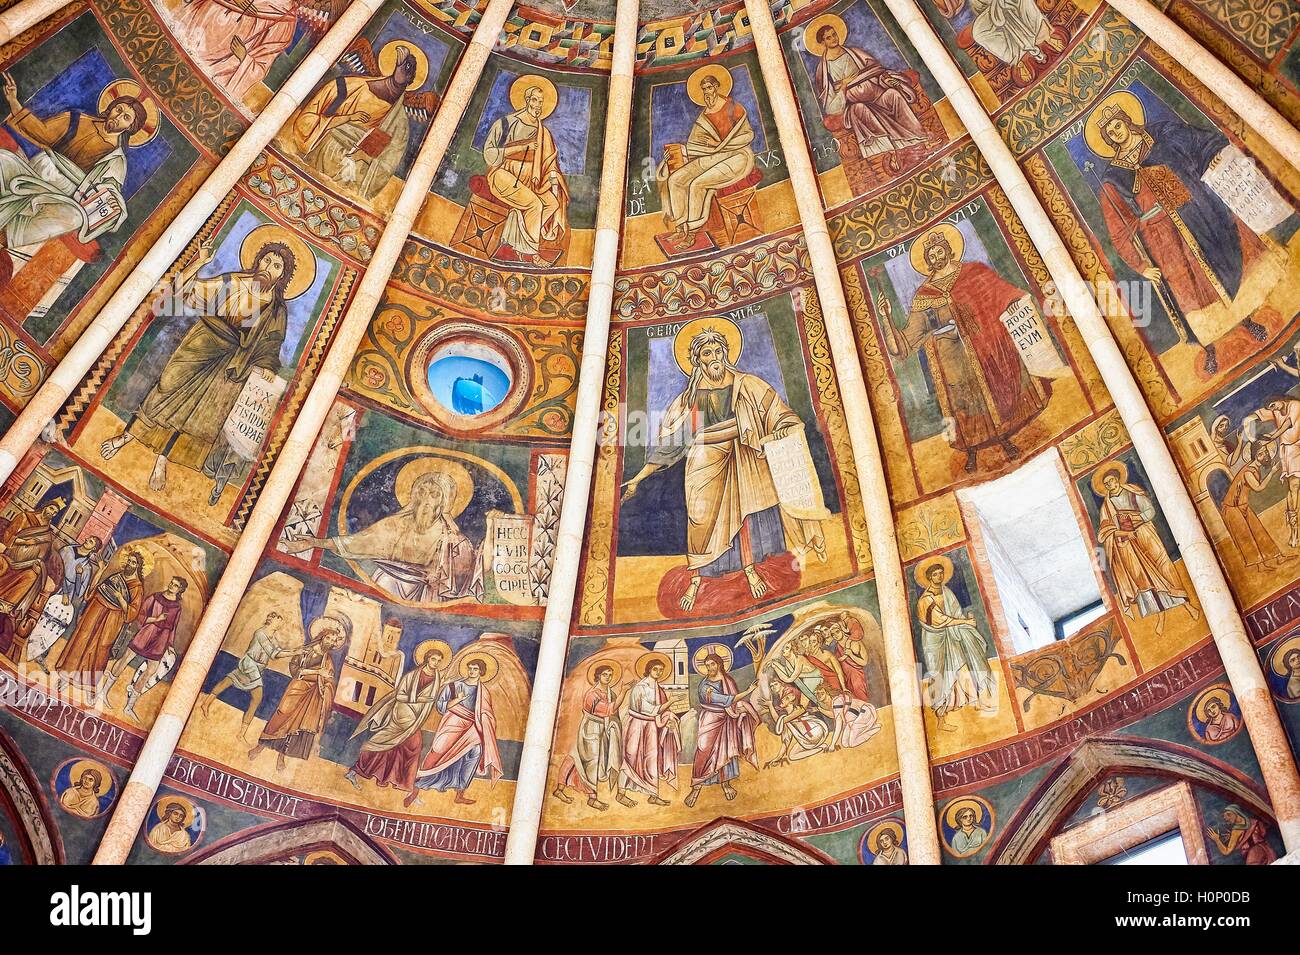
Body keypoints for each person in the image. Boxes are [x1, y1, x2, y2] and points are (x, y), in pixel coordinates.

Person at [621, 325, 827, 613]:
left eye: (718, 351)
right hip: (705, 463)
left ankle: (751, 569)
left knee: (752, 509)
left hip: (745, 457)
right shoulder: (692, 399)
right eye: (707, 353)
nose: (715, 357)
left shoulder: (748, 386)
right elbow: (672, 445)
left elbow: (779, 414)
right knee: (702, 518)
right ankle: (698, 577)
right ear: (697, 360)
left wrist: (783, 429)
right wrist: (638, 478)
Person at [99, 230, 304, 504]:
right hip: (202, 340)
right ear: (258, 260)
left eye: (277, 266)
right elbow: (185, 292)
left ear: (283, 276)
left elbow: (272, 342)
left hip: (232, 361)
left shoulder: (277, 309)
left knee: (198, 415)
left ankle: (163, 459)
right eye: (267, 261)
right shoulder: (232, 281)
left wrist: (267, 365)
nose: (269, 268)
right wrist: (199, 262)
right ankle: (126, 437)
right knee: (166, 388)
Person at [1085, 97, 1282, 374]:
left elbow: (1198, 141)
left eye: (1116, 125)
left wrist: (1211, 152)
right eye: (1109, 132)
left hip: (1196, 211)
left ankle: (1247, 320)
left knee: (1223, 270)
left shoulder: (1161, 135)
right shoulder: (1113, 177)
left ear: (1126, 121)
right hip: (1164, 242)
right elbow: (1119, 230)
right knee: (1190, 294)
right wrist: (1141, 266)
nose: (1115, 132)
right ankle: (1209, 346)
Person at [880, 226, 1050, 471]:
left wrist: (1011, 301)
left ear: (949, 250)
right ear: (927, 262)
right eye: (931, 257)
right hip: (953, 356)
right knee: (966, 403)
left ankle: (1005, 439)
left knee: (993, 391)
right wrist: (886, 317)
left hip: (984, 345)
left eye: (939, 252)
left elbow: (999, 291)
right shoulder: (924, 295)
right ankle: (971, 450)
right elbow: (907, 341)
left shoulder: (974, 271)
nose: (936, 258)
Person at [0, 74, 151, 253]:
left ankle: (7, 235)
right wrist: (14, 102)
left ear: (130, 128)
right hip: (40, 169)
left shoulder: (116, 158)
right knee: (4, 159)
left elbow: (109, 190)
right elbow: (41, 132)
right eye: (118, 110)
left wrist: (113, 200)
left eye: (126, 117)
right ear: (110, 108)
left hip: (67, 193)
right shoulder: (76, 120)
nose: (118, 117)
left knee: (74, 218)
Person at [288, 470, 481, 602]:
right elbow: (358, 542)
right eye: (421, 492)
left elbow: (465, 571)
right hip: (385, 582)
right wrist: (315, 542)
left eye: (433, 494)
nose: (426, 500)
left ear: (445, 501)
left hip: (423, 593)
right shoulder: (395, 524)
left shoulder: (452, 539)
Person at [291, 43, 421, 199]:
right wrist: (346, 119)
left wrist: (362, 158)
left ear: (410, 79)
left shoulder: (399, 124)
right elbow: (307, 120)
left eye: (407, 69)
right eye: (402, 66)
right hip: (323, 152)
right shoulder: (345, 87)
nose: (402, 71)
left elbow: (389, 160)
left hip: (353, 174)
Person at [1094, 463, 1199, 633]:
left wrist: (1135, 518)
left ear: (1118, 479)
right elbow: (1105, 530)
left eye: (1112, 480)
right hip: (1128, 544)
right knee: (1144, 578)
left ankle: (1188, 606)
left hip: (1145, 535)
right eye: (1106, 484)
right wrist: (1121, 532)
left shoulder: (1132, 492)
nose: (1110, 485)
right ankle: (1160, 617)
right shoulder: (1106, 506)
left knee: (1163, 569)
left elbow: (1150, 511)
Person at [657, 66, 755, 248]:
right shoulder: (704, 116)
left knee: (697, 184)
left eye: (710, 87)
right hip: (711, 157)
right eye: (704, 89)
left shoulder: (733, 108)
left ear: (717, 87)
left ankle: (692, 233)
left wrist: (723, 146)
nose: (707, 92)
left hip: (737, 156)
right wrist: (679, 152)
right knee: (676, 180)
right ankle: (680, 228)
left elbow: (748, 135)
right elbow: (696, 146)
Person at [809, 19, 927, 160]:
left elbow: (875, 71)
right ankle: (888, 153)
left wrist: (886, 79)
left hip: (877, 94)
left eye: (834, 34)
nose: (834, 38)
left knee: (893, 94)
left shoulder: (854, 53)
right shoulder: (823, 70)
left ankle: (919, 138)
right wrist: (845, 86)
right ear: (822, 43)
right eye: (829, 37)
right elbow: (830, 104)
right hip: (853, 103)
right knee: (860, 109)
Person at [247, 613, 349, 772]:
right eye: (328, 638)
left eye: (334, 641)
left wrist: (327, 683)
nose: (330, 642)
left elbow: (329, 680)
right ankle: (259, 747)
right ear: (322, 636)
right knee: (280, 717)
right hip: (297, 689)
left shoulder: (327, 660)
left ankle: (281, 757)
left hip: (312, 697)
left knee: (295, 726)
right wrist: (315, 673)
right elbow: (295, 669)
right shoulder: (305, 651)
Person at [482, 79, 569, 265]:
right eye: (534, 100)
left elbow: (549, 162)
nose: (538, 105)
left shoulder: (543, 132)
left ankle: (517, 239)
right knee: (535, 205)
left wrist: (553, 175)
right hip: (504, 174)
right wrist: (520, 147)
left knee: (552, 204)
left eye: (541, 101)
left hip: (531, 180)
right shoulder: (506, 123)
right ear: (527, 100)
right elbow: (489, 155)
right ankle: (530, 254)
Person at [345, 640, 447, 795]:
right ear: (427, 658)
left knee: (400, 746)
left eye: (439, 661)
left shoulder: (437, 679)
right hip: (402, 714)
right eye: (434, 659)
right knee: (389, 742)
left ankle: (389, 778)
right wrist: (419, 699)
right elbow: (400, 695)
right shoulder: (412, 676)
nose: (436, 663)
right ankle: (356, 771)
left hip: (416, 718)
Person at [408, 655, 502, 807]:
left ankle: (460, 793)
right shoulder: (453, 686)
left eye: (475, 669)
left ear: (481, 672)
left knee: (474, 753)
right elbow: (440, 706)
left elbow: (487, 713)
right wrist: (457, 700)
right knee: (437, 751)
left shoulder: (484, 692)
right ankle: (415, 790)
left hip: (473, 727)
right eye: (470, 668)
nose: (472, 671)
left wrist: (484, 718)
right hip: (453, 723)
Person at [916, 558, 995, 731]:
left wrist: (963, 622)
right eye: (935, 574)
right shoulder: (925, 600)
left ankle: (975, 700)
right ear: (929, 578)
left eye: (940, 573)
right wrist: (965, 623)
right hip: (934, 641)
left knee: (962, 666)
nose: (939, 576)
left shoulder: (947, 592)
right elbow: (939, 621)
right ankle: (941, 720)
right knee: (940, 675)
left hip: (951, 636)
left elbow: (955, 611)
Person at [55, 548, 145, 693]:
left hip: (112, 619)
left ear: (138, 567)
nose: (129, 564)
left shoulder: (137, 588)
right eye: (129, 561)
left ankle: (87, 683)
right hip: (95, 609)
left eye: (133, 562)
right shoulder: (117, 576)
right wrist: (101, 571)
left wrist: (120, 597)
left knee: (100, 647)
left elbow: (131, 613)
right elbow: (94, 590)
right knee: (81, 639)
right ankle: (66, 675)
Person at [101, 576, 187, 717]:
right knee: (125, 659)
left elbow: (173, 627)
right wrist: (155, 619)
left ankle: (129, 707)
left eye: (176, 585)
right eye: (172, 583)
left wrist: (170, 644)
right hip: (147, 632)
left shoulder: (177, 607)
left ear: (180, 590)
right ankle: (103, 692)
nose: (172, 586)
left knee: (151, 671)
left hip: (161, 640)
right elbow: (140, 615)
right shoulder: (155, 597)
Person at [553, 663, 633, 810]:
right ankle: (592, 798)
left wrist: (613, 729)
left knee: (575, 757)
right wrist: (624, 692)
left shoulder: (611, 693)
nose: (608, 677)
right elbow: (609, 709)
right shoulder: (592, 694)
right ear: (598, 676)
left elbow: (614, 715)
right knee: (589, 761)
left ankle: (559, 790)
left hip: (603, 729)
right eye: (604, 674)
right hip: (590, 729)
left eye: (610, 674)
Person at [684, 649, 757, 808]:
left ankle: (726, 785)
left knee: (726, 751)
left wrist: (741, 710)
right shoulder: (704, 685)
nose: (709, 667)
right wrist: (748, 691)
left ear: (719, 664)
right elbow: (724, 700)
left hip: (727, 720)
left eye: (712, 664)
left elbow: (732, 703)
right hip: (710, 719)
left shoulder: (728, 680)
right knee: (704, 750)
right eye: (707, 665)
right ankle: (696, 788)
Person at [201, 611, 289, 739]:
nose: (281, 623)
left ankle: (207, 704)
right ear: (271, 620)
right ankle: (241, 734)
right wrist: (295, 652)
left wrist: (296, 652)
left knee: (229, 681)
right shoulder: (261, 633)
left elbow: (278, 652)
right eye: (279, 620)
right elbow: (273, 654)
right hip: (250, 665)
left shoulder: (272, 638)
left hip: (257, 668)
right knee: (257, 697)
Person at [0, 498, 64, 658]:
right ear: (45, 507)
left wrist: (38, 562)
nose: (52, 513)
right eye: (51, 509)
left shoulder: (48, 533)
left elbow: (45, 553)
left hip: (28, 565)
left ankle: (5, 613)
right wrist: (26, 542)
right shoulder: (25, 517)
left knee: (32, 576)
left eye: (55, 512)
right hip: (11, 557)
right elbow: (9, 537)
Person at [27, 535, 101, 670]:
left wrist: (79, 574)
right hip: (52, 586)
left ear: (94, 549)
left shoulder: (87, 568)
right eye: (88, 538)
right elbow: (56, 570)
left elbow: (79, 592)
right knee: (37, 613)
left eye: (90, 541)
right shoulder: (66, 550)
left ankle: (41, 654)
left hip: (66, 599)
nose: (86, 540)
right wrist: (65, 592)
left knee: (54, 625)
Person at [618, 653, 680, 806]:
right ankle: (621, 793)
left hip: (651, 727)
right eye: (655, 669)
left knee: (651, 759)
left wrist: (669, 720)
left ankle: (653, 794)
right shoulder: (640, 687)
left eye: (660, 670)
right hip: (636, 725)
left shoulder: (659, 689)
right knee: (630, 757)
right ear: (648, 670)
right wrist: (669, 703)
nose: (658, 672)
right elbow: (648, 709)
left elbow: (662, 712)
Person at [1219, 440, 1285, 570]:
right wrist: (1272, 472)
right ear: (1255, 456)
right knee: (1248, 536)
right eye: (1261, 453)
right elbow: (1258, 488)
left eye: (1265, 451)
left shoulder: (1255, 468)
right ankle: (1260, 566)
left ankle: (1279, 557)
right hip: (1232, 509)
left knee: (1258, 531)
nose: (1265, 455)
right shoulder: (1249, 471)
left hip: (1242, 505)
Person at [1243, 397, 1300, 547]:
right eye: (1271, 408)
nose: (1273, 409)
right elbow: (1255, 416)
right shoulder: (1274, 411)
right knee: (1293, 488)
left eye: (1274, 405)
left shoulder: (1295, 405)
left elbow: (1287, 424)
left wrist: (1272, 436)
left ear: (1279, 399)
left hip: (1298, 444)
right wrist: (1248, 421)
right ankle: (1295, 531)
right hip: (1290, 450)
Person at [1205, 805, 1277, 864]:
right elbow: (1263, 832)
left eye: (1228, 816)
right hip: (1267, 850)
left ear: (1235, 813)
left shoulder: (1236, 831)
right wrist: (1240, 839)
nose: (1227, 820)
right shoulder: (1253, 821)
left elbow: (1227, 851)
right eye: (1226, 820)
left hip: (1254, 854)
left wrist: (1217, 839)